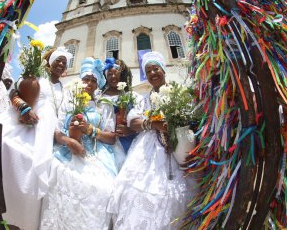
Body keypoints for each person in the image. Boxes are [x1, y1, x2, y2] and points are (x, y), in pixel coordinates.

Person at [107, 51, 196, 229]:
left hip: (174, 148)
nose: (152, 73)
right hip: (146, 150)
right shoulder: (144, 99)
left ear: (163, 70)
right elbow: (133, 122)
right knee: (134, 191)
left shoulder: (178, 94)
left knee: (172, 195)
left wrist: (173, 129)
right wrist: (153, 124)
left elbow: (189, 120)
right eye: (148, 71)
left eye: (155, 69)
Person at [40, 57, 120, 229]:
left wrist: (91, 130)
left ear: (98, 85)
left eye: (93, 81)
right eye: (86, 79)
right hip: (67, 152)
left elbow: (112, 137)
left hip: (96, 155)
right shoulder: (68, 102)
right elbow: (57, 131)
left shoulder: (102, 105)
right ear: (80, 80)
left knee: (103, 188)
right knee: (59, 176)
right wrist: (69, 141)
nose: (89, 84)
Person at [0, 47, 72, 230]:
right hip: (27, 125)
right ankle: (2, 211)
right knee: (16, 154)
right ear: (50, 62)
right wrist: (23, 108)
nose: (61, 64)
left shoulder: (65, 89)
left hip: (48, 134)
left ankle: (24, 220)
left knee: (39, 172)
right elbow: (14, 92)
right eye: (58, 60)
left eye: (64, 62)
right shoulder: (38, 77)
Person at [101, 58, 140, 155]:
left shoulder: (131, 95)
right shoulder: (99, 97)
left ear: (121, 75)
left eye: (116, 73)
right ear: (105, 77)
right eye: (110, 74)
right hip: (103, 143)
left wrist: (131, 130)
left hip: (125, 143)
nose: (113, 76)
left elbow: (140, 118)